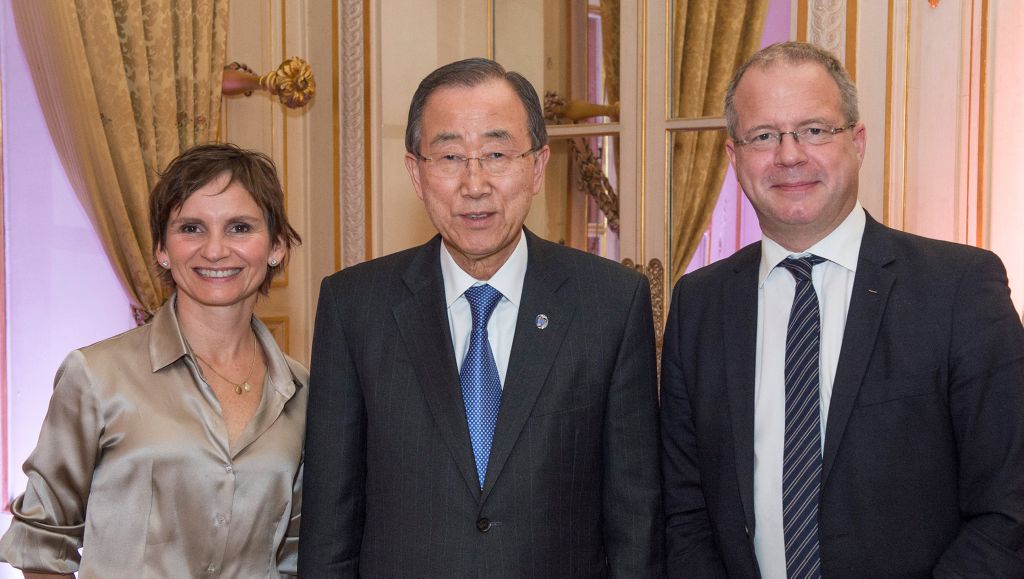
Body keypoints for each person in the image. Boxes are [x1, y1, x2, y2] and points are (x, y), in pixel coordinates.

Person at [660, 40, 1024, 577]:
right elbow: (685, 512)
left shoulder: (959, 289)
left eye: (814, 130)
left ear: (857, 141)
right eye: (764, 136)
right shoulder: (699, 305)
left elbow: (1007, 510)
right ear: (734, 158)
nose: (789, 155)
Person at [299, 58, 663, 578]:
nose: (475, 184)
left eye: (496, 154)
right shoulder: (354, 306)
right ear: (416, 173)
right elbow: (329, 526)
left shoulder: (610, 303)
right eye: (449, 156)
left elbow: (636, 519)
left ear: (537, 167)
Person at [0, 143, 306, 578]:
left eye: (239, 227)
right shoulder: (96, 376)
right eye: (191, 228)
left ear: (276, 247)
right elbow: (43, 547)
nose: (215, 250)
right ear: (162, 249)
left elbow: (297, 556)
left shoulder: (304, 393)